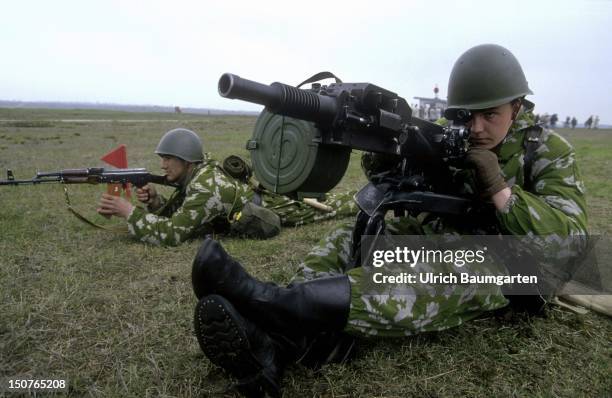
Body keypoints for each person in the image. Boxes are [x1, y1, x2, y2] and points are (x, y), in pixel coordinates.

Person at [190, 44, 588, 397]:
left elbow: (572, 239)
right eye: (467, 116)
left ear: (517, 107)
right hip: (453, 235)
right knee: (350, 235)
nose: (477, 128)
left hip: (520, 269)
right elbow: (404, 185)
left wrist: (501, 190)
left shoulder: (547, 149)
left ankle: (271, 306)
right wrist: (396, 153)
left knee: (448, 268)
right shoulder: (458, 137)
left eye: (490, 115)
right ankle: (281, 343)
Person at [96, 128, 358, 246]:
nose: (162, 165)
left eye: (167, 159)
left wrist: (129, 212)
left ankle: (367, 198)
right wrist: (154, 203)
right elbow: (181, 212)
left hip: (276, 207)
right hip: (258, 199)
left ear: (186, 160)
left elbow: (172, 234)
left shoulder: (205, 187)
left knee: (328, 207)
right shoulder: (197, 177)